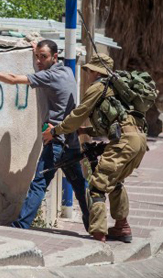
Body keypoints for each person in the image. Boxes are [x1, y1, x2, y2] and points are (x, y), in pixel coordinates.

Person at [0, 40, 90, 231]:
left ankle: (21, 226)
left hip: (55, 141)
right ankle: (95, 226)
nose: (39, 60)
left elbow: (14, 79)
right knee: (80, 188)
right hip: (70, 142)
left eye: (43, 57)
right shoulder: (67, 71)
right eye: (37, 56)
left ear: (55, 57)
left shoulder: (49, 76)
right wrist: (37, 50)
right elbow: (43, 70)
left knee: (39, 184)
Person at [42, 53, 148, 242]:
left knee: (97, 187)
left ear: (93, 71)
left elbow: (78, 114)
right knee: (114, 182)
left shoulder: (98, 87)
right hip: (138, 139)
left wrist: (56, 131)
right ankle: (122, 227)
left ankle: (98, 233)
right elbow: (114, 121)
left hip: (123, 140)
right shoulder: (117, 88)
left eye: (89, 71)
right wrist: (86, 131)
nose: (88, 74)